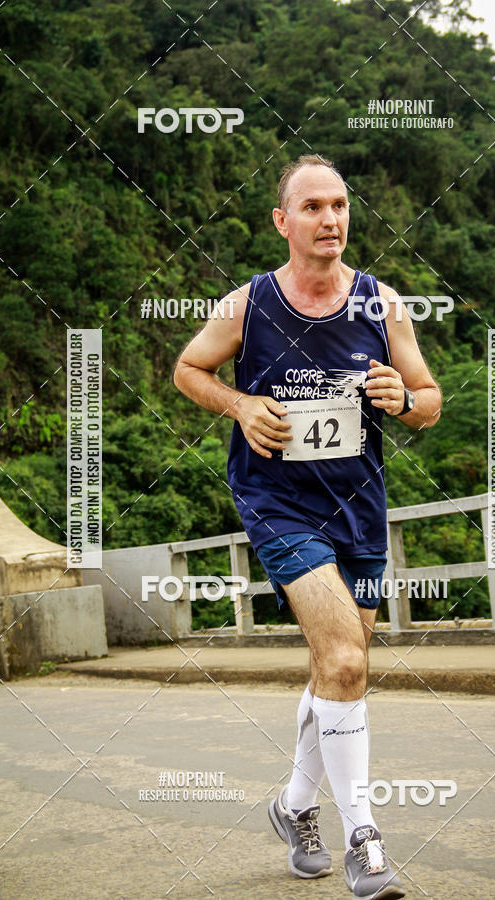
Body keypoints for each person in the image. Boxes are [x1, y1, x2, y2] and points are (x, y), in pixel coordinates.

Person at [173, 154, 442, 898]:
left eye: (341, 205)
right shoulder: (250, 304)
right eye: (314, 207)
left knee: (340, 665)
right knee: (348, 665)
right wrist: (239, 405)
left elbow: (428, 399)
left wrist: (403, 397)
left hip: (358, 507)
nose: (331, 219)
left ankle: (293, 808)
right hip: (278, 502)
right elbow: (187, 370)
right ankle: (365, 836)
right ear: (282, 221)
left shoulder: (381, 304)